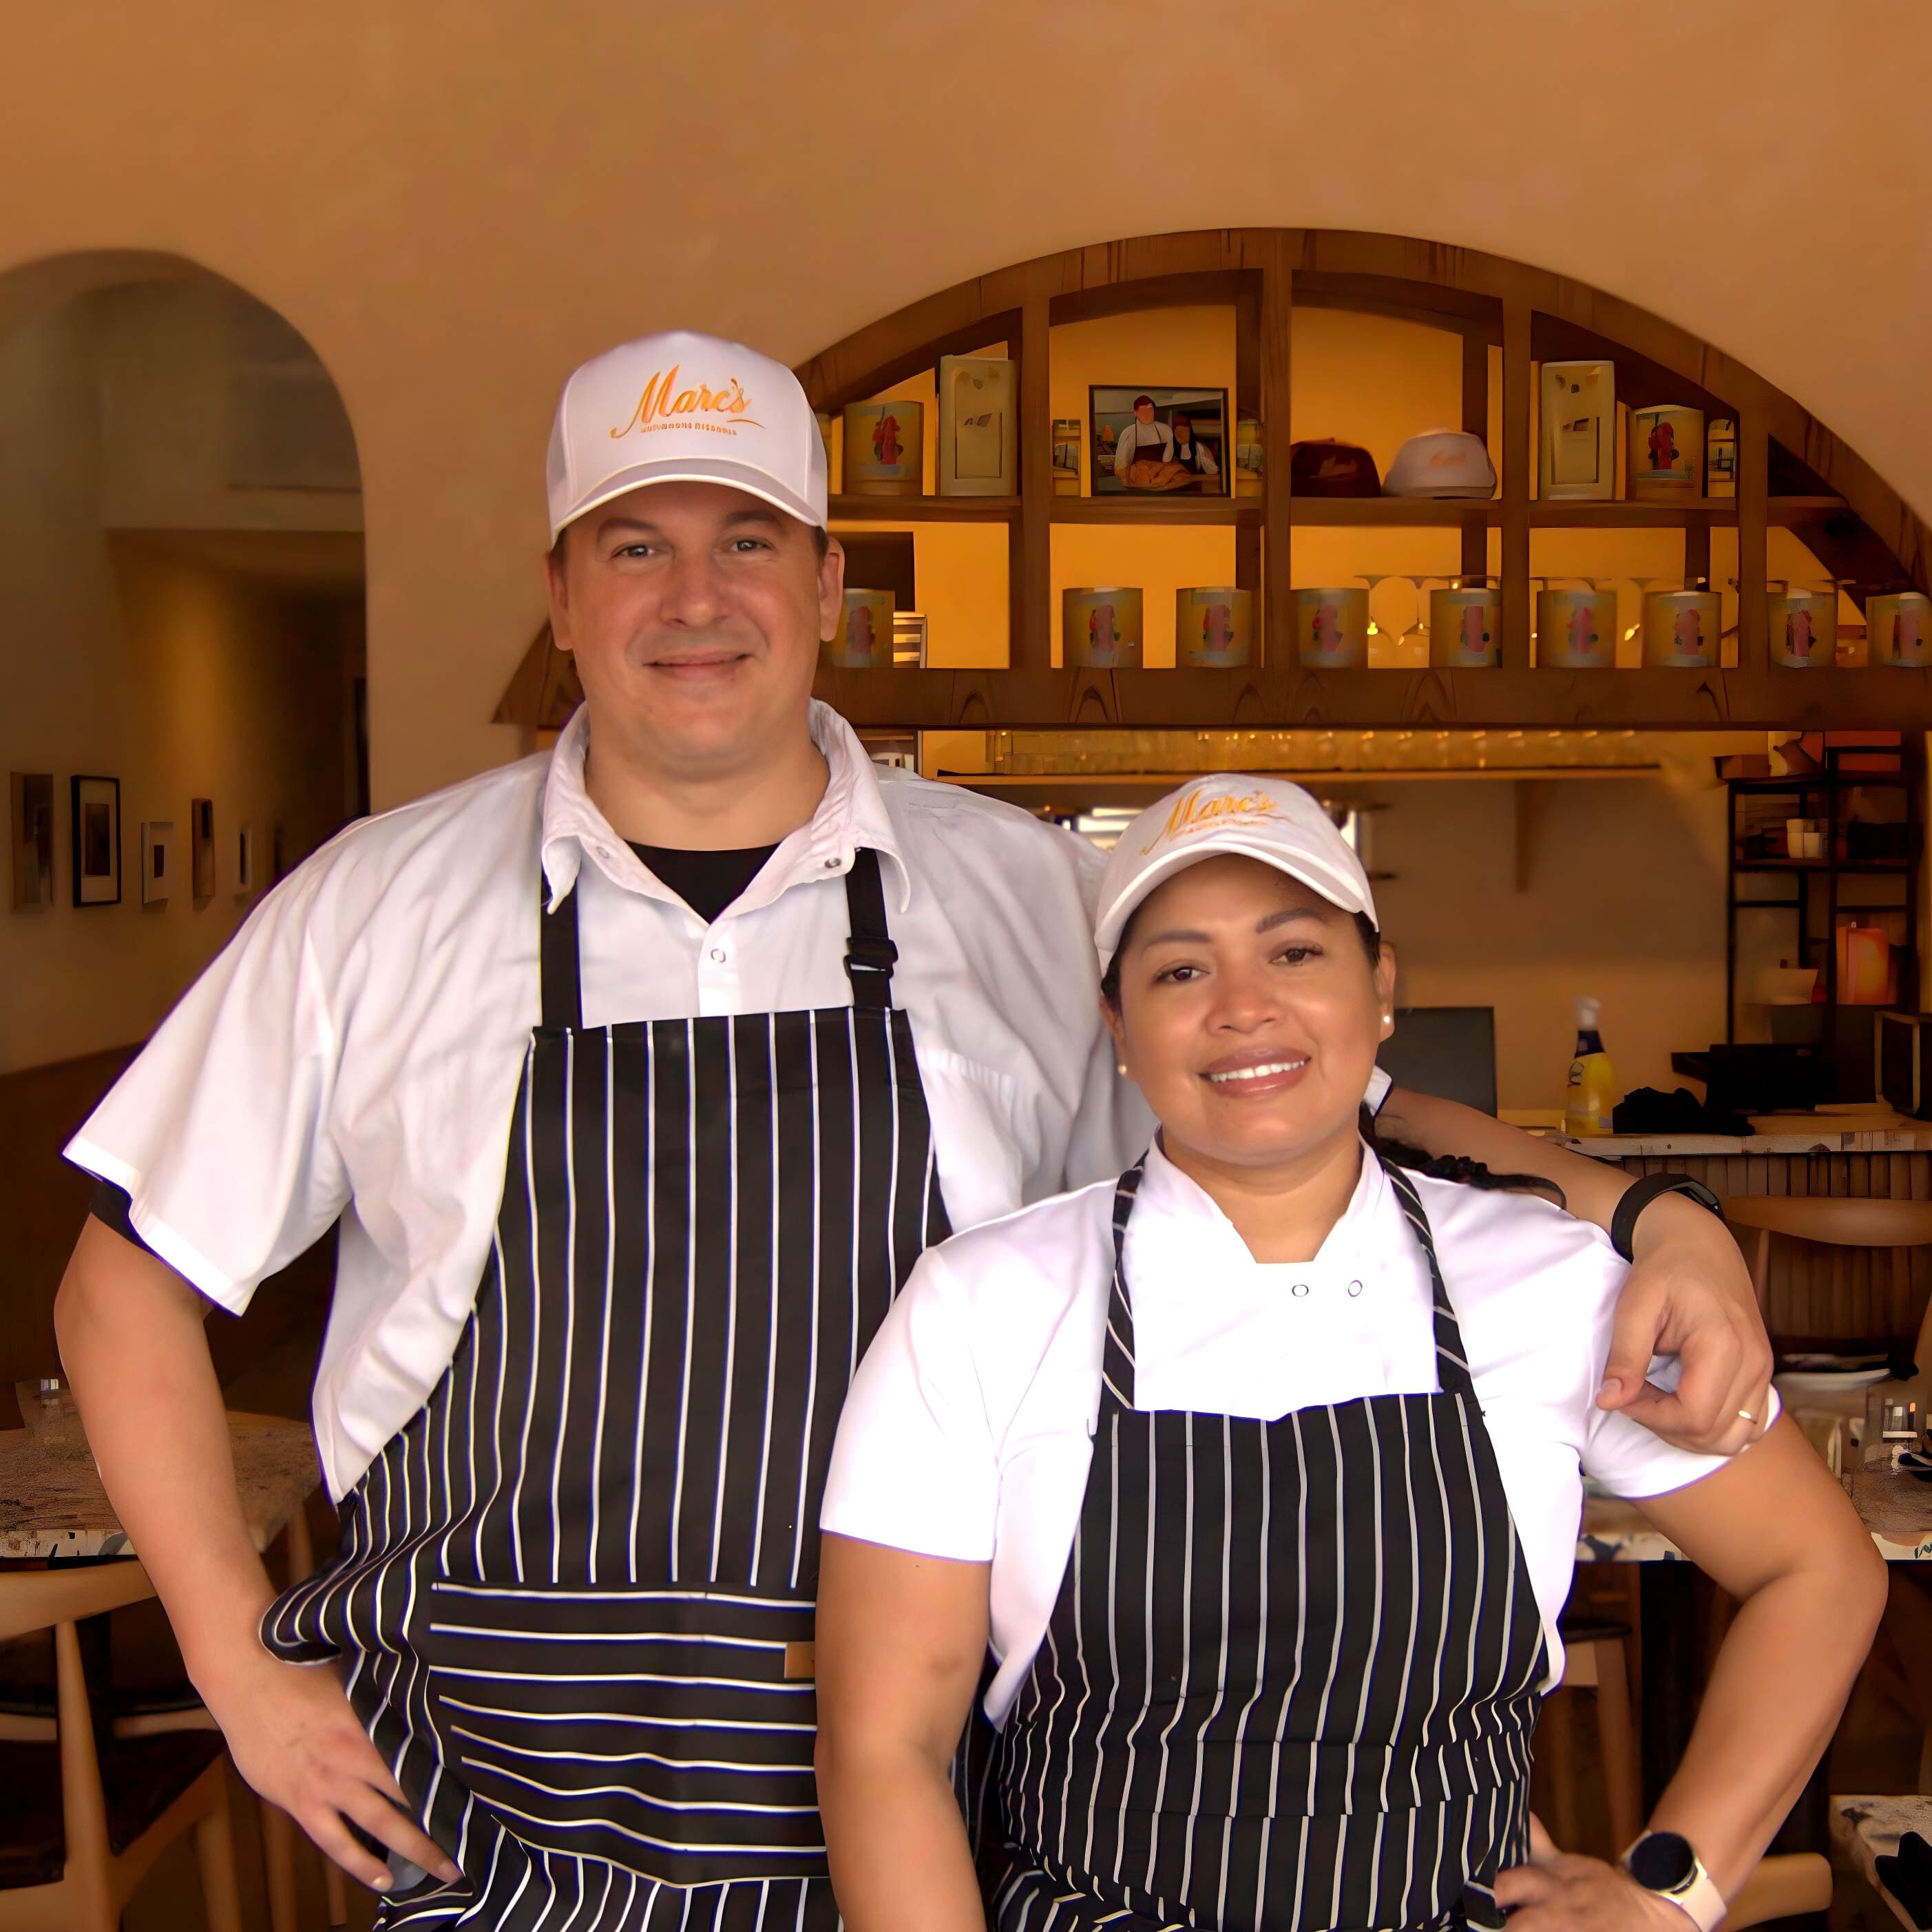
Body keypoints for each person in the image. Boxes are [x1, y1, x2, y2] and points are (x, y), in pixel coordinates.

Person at [53, 327, 1770, 1928]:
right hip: (495, 1796)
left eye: (745, 539)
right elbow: (123, 1284)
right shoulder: (371, 906)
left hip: (928, 1788)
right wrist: (234, 1663)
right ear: (559, 597)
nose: (694, 596)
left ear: (825, 584)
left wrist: (1652, 1216)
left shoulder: (1020, 891)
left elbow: (1341, 1115)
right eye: (634, 545)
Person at [814, 773, 1883, 1932]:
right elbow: (884, 1746)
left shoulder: (1548, 1285)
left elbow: (1818, 1570)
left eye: (1294, 953)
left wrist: (1672, 1896)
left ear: (1380, 990)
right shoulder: (982, 1303)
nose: (1242, 1007)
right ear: (1117, 1026)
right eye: (1179, 970)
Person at [1169, 410, 1220, 479]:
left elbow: (1213, 472)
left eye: (1184, 425)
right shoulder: (1167, 447)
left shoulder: (1200, 448)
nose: (1181, 429)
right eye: (1177, 425)